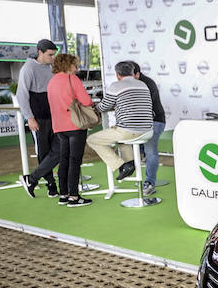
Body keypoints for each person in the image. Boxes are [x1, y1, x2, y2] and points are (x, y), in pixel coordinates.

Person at [86, 60, 153, 182]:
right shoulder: (143, 85)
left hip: (128, 131)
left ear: (117, 74)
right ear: (133, 73)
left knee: (92, 140)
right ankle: (130, 163)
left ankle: (121, 165)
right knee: (121, 140)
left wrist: (95, 107)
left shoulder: (116, 86)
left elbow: (104, 106)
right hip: (148, 129)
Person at [41, 53, 94, 207]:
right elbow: (86, 101)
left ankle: (63, 194)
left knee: (64, 160)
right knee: (74, 161)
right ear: (68, 65)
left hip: (59, 126)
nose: (76, 68)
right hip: (74, 124)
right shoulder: (72, 79)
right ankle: (74, 197)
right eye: (75, 65)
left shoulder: (51, 82)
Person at [17, 39, 61, 197]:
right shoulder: (28, 68)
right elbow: (21, 94)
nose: (53, 58)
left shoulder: (51, 68)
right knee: (43, 151)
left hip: (54, 117)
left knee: (59, 149)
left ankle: (33, 179)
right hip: (39, 118)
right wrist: (30, 118)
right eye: (50, 55)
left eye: (54, 55)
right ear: (40, 52)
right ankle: (51, 184)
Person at [131, 61, 166, 196]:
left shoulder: (147, 84)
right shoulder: (131, 84)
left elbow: (144, 107)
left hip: (155, 122)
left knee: (150, 151)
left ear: (137, 74)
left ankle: (149, 182)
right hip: (139, 124)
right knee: (134, 147)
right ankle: (143, 172)